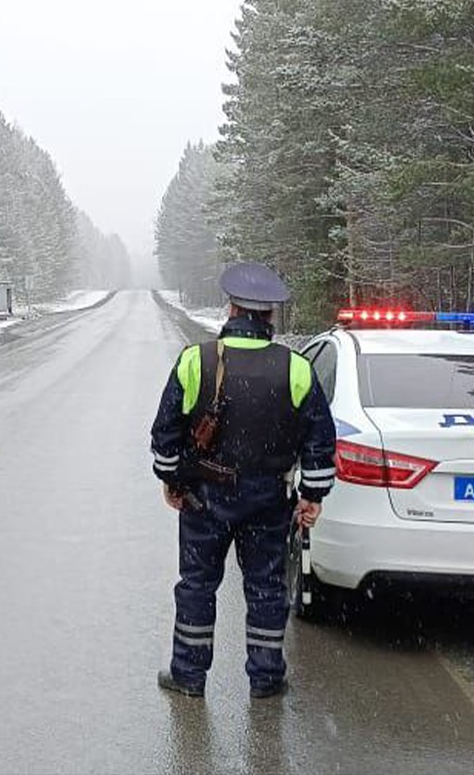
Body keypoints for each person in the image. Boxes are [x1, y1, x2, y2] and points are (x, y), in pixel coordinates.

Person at [150, 262, 336, 699]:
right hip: (269, 500)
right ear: (269, 316)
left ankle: (188, 676)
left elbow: (166, 432)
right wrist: (312, 495)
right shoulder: (296, 368)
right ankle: (266, 678)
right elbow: (320, 441)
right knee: (267, 587)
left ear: (230, 308)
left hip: (203, 498)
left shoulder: (197, 360)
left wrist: (172, 480)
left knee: (197, 585)